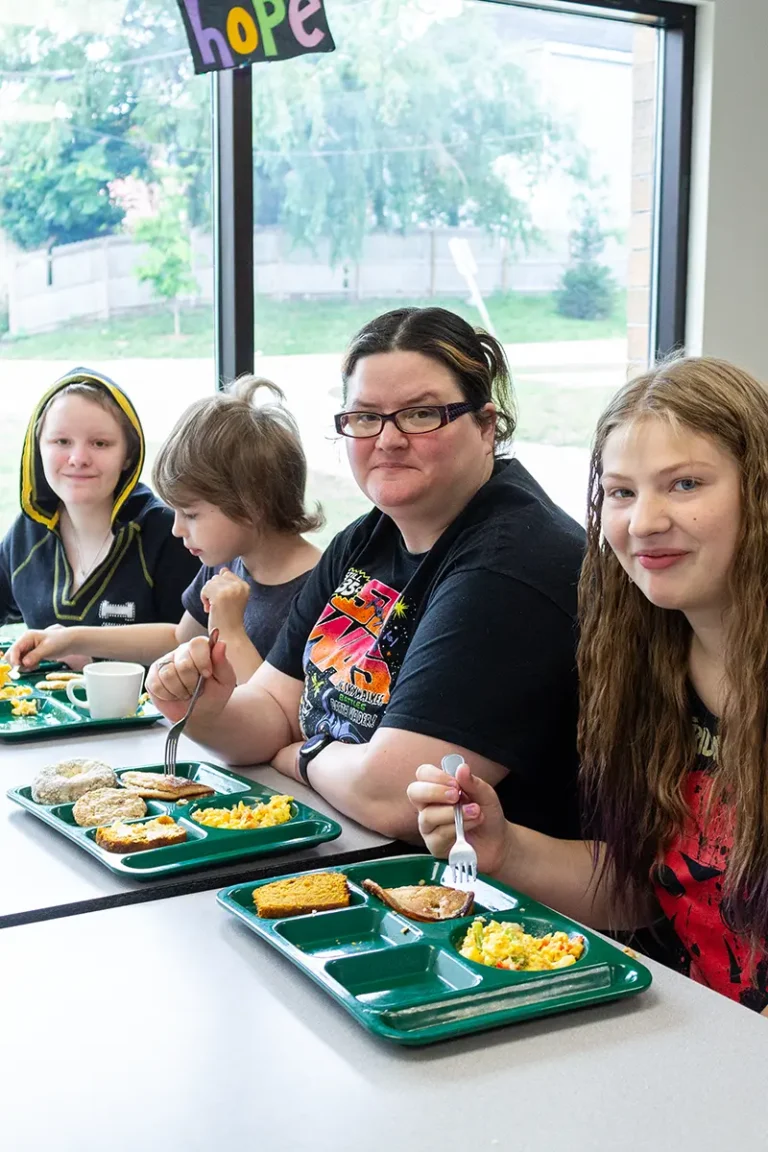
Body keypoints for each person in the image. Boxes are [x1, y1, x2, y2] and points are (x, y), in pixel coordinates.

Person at [409, 355, 768, 1015]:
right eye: (624, 492)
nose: (644, 522)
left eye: (685, 484)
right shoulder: (643, 661)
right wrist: (504, 846)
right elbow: (645, 891)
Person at [145, 307, 585, 842]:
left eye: (422, 414)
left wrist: (299, 755)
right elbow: (272, 709)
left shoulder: (515, 560)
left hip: (483, 904)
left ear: (486, 425)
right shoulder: (366, 538)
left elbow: (396, 795)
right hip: (350, 841)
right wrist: (202, 709)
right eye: (365, 417)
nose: (389, 439)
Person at [7, 377, 322, 684]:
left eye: (191, 514)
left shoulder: (319, 591)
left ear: (253, 504)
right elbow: (177, 638)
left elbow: (277, 715)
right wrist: (70, 639)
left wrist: (230, 630)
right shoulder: (226, 563)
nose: (175, 528)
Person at [0, 368, 199, 664]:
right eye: (61, 442)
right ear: (37, 447)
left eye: (100, 443)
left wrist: (85, 650)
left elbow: (195, 640)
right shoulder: (27, 534)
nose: (78, 458)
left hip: (159, 710)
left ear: (128, 455)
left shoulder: (168, 532)